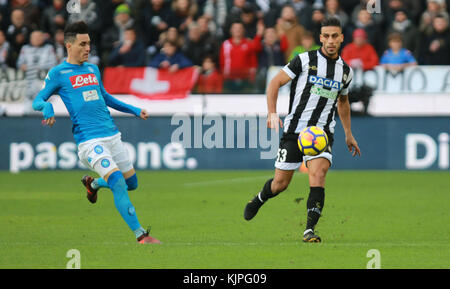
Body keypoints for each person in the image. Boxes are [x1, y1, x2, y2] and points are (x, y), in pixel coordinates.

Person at [32, 21, 160, 244]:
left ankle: (93, 185)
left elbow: (106, 98)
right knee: (118, 182)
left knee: (132, 184)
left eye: (89, 43)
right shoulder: (58, 73)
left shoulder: (92, 69)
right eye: (82, 44)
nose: (88, 48)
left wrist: (134, 110)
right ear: (69, 45)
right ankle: (141, 235)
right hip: (90, 141)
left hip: (112, 135)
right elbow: (38, 99)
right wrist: (47, 107)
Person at [243, 17, 361, 243]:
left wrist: (348, 133)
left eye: (335, 36)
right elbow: (274, 83)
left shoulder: (345, 71)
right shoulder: (304, 60)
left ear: (342, 38)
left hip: (322, 133)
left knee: (318, 174)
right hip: (295, 132)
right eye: (326, 36)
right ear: (320, 38)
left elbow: (343, 102)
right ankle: (259, 198)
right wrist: (271, 112)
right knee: (280, 184)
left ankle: (309, 230)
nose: (330, 40)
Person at [17, 30, 57, 114]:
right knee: (28, 111)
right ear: (30, 38)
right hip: (28, 84)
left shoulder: (49, 48)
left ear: (43, 38)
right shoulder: (25, 48)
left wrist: (34, 68)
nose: (37, 39)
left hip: (43, 83)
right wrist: (27, 67)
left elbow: (53, 63)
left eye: (39, 37)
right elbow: (19, 63)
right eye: (34, 37)